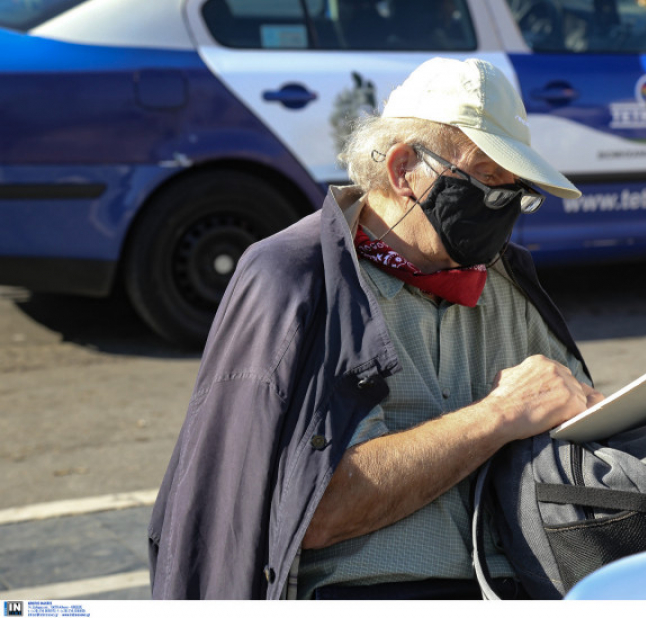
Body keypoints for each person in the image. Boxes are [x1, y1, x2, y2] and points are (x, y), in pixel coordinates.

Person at [148, 57, 602, 600]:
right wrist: (500, 416)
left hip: (516, 585)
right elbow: (317, 510)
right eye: (485, 179)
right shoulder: (302, 281)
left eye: (515, 190)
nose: (502, 208)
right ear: (403, 167)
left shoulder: (505, 284)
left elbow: (579, 415)